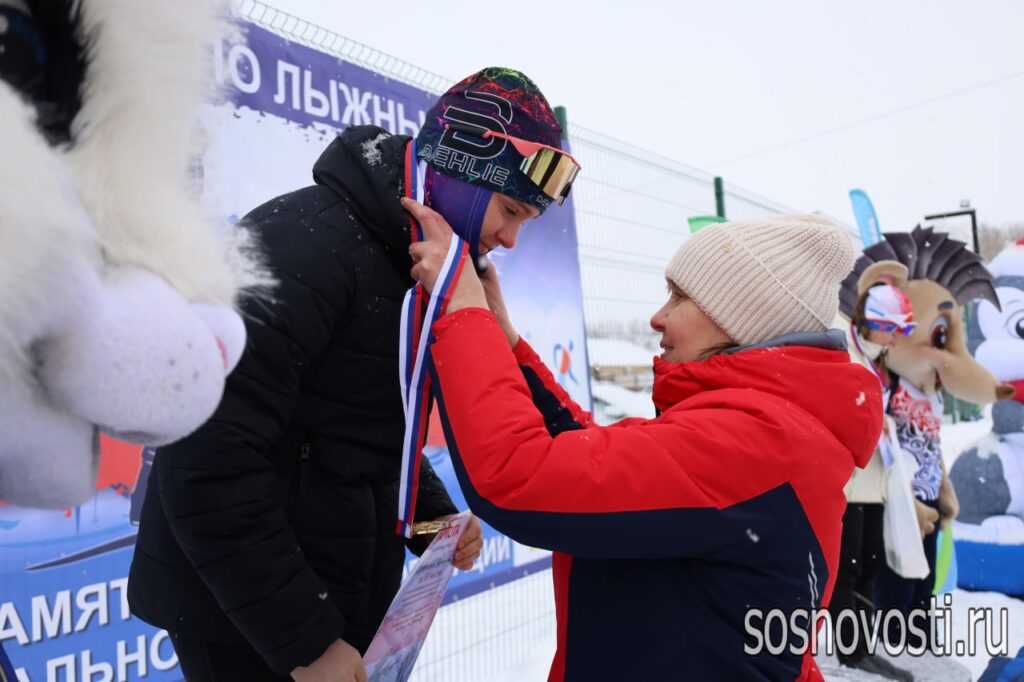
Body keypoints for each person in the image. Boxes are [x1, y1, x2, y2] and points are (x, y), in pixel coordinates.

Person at [127, 67, 576, 680]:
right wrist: (305, 641)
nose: (512, 239)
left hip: (332, 597)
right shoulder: (300, 245)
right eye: (510, 210)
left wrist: (432, 519)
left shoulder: (410, 262)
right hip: (239, 619)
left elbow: (358, 434)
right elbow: (206, 457)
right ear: (461, 175)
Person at [406, 208, 883, 680]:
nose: (658, 317)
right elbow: (595, 464)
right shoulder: (773, 430)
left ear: (743, 319)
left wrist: (465, 311)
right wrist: (506, 343)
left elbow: (518, 473)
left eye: (680, 297)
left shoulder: (755, 443)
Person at [829, 274, 917, 681]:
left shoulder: (877, 354)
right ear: (873, 321)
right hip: (846, 480)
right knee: (846, 566)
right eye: (894, 329)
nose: (897, 340)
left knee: (870, 562)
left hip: (875, 477)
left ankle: (863, 647)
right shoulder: (842, 344)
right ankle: (850, 651)